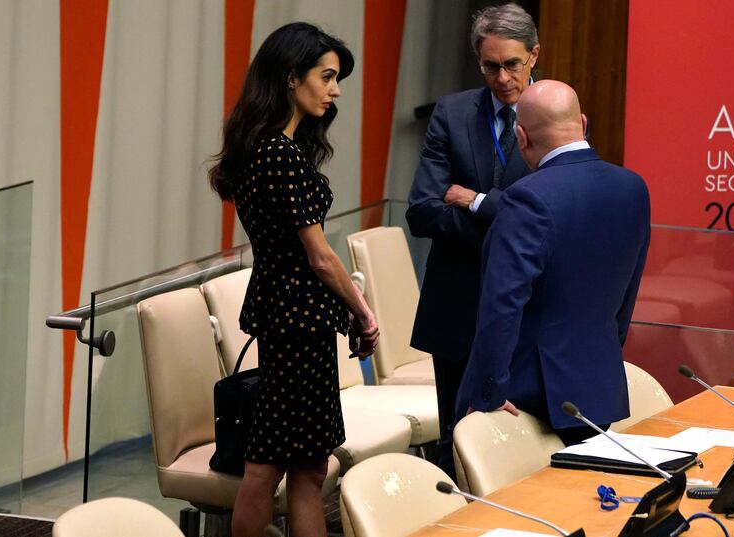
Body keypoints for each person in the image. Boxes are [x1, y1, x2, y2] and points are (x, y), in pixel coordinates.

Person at [208, 22, 378, 537]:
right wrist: (364, 311)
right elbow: (321, 257)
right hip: (299, 321)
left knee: (306, 465)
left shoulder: (266, 147)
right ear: (290, 78)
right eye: (326, 76)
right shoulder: (278, 153)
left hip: (290, 317)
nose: (336, 89)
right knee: (271, 465)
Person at [456, 80, 651, 445]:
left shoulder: (526, 198)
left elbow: (502, 303)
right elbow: (626, 296)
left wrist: (488, 393)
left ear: (522, 136)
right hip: (595, 386)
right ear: (583, 122)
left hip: (526, 397)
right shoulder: (633, 187)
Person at [405, 3, 538, 477]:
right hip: (458, 305)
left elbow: (550, 214)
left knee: (519, 454)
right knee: (456, 448)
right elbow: (422, 211)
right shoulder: (454, 111)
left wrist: (478, 201)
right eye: (490, 66)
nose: (502, 78)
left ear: (533, 56)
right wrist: (510, 224)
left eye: (512, 65)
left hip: (528, 312)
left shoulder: (556, 109)